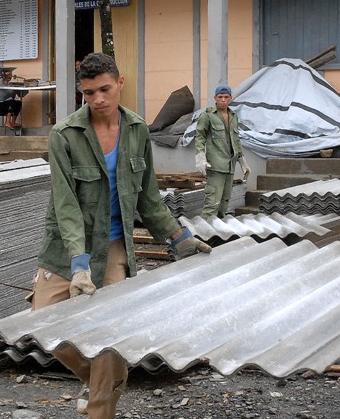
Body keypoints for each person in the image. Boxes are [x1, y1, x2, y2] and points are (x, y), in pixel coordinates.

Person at [30, 52, 211, 419]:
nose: (98, 99)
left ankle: (100, 408)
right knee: (43, 326)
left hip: (113, 246)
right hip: (65, 247)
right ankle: (93, 380)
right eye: (89, 92)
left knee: (110, 341)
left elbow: (147, 198)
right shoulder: (64, 135)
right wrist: (78, 264)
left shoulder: (137, 130)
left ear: (120, 83)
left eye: (104, 89)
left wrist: (179, 238)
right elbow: (65, 204)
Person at [194, 84, 250, 218]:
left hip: (230, 166)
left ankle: (218, 232)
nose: (223, 100)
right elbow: (199, 137)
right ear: (215, 98)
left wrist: (243, 163)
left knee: (224, 203)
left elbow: (236, 141)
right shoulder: (207, 115)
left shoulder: (234, 116)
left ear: (230, 98)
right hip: (216, 166)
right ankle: (205, 232)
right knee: (212, 202)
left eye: (226, 97)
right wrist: (201, 158)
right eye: (220, 97)